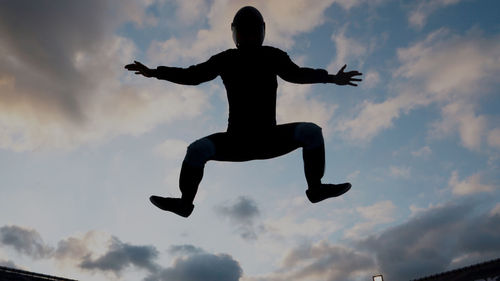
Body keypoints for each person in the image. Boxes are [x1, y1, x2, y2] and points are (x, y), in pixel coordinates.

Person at [125, 6, 362, 218]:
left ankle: (316, 189)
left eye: (252, 31)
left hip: (268, 138)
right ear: (235, 34)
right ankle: (185, 204)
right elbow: (192, 75)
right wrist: (155, 72)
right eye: (243, 32)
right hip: (236, 141)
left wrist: (331, 78)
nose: (248, 36)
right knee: (196, 150)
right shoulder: (226, 59)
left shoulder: (272, 56)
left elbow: (297, 74)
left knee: (311, 132)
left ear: (261, 32)